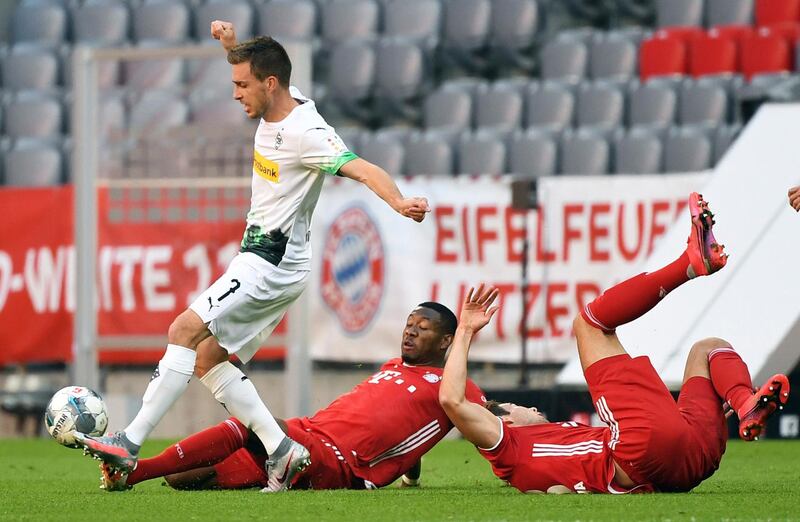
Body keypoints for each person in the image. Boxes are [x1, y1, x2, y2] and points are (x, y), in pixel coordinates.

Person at [76, 21, 430, 493]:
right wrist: (229, 45)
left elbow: (362, 168)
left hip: (270, 262)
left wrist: (400, 202)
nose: (236, 95)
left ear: (269, 84)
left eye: (242, 86)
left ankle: (130, 441)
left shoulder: (308, 132)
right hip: (269, 260)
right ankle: (283, 452)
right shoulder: (284, 96)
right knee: (208, 357)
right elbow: (255, 61)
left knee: (182, 329)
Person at [439, 193, 791, 494]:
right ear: (507, 423)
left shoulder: (549, 447)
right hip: (641, 451)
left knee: (707, 348)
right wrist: (466, 330)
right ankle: (690, 263)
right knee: (589, 325)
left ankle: (744, 402)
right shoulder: (504, 445)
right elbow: (451, 400)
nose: (528, 408)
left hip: (686, 466)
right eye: (516, 407)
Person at [97, 301, 486, 493]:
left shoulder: (456, 387)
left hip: (335, 461)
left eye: (423, 329)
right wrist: (410, 475)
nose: (410, 333)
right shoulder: (392, 366)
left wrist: (527, 423)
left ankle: (134, 470)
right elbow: (405, 430)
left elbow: (486, 424)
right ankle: (277, 470)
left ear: (447, 340)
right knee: (182, 478)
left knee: (245, 425)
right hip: (306, 433)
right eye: (408, 324)